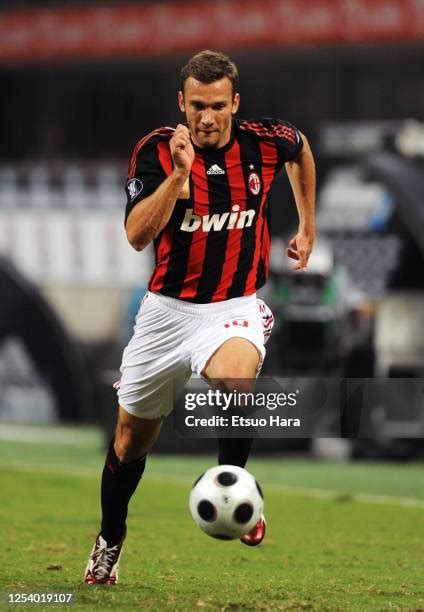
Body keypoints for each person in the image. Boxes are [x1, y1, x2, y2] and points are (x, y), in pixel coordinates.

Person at [85, 49, 316, 585]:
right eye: (197, 106)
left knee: (237, 382)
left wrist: (308, 226)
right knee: (129, 442)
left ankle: (237, 491)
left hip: (233, 305)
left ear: (234, 103)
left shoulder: (264, 141)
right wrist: (178, 178)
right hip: (166, 313)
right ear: (181, 104)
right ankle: (110, 540)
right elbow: (136, 235)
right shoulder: (156, 150)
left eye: (216, 106)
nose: (206, 118)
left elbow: (300, 149)